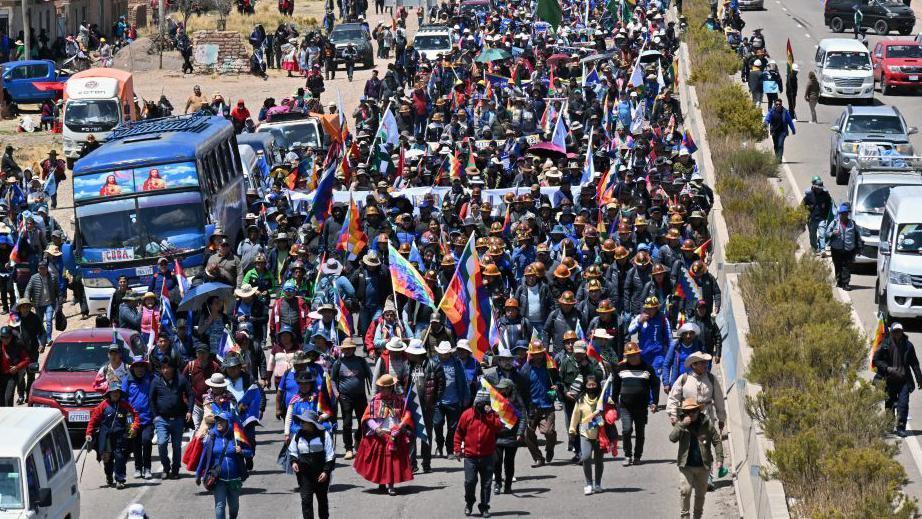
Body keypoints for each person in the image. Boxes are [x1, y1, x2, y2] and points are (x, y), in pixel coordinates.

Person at [353, 374, 414, 495]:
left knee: (392, 461)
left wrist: (401, 426)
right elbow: (367, 418)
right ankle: (381, 482)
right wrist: (376, 429)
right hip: (379, 435)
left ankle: (391, 485)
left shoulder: (400, 401)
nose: (384, 390)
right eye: (382, 388)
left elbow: (406, 415)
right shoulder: (375, 401)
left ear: (391, 387)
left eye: (387, 388)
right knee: (380, 461)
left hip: (394, 435)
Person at [669, 399, 724, 519]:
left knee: (700, 495)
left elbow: (716, 441)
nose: (691, 414)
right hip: (686, 466)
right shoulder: (681, 424)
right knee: (685, 491)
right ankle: (685, 516)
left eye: (694, 411)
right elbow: (672, 438)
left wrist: (720, 459)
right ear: (684, 412)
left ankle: (697, 517)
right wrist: (682, 424)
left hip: (703, 466)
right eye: (688, 412)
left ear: (698, 411)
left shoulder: (706, 423)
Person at [455, 387, 504, 518]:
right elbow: (459, 433)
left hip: (488, 456)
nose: (481, 406)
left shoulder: (492, 414)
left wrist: (489, 414)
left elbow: (499, 427)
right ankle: (469, 503)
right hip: (470, 457)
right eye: (480, 404)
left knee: (487, 484)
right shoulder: (467, 415)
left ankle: (484, 507)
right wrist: (458, 449)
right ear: (475, 402)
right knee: (470, 482)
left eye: (485, 404)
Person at [195, 412, 254, 519]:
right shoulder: (211, 437)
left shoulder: (236, 437)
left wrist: (242, 451)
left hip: (234, 479)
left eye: (222, 421)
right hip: (218, 479)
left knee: (234, 507)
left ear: (228, 423)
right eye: (217, 420)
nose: (219, 423)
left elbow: (250, 452)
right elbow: (203, 457)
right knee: (220, 505)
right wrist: (198, 474)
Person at [85, 382, 140, 489]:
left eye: (117, 392)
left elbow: (135, 415)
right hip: (105, 437)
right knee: (107, 459)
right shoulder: (103, 405)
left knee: (120, 457)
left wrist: (134, 427)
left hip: (121, 436)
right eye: (113, 392)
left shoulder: (125, 405)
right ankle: (109, 475)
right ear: (109, 393)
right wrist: (88, 433)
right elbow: (93, 420)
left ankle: (120, 480)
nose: (115, 394)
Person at [613, 342, 659, 466]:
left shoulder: (647, 368)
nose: (632, 357)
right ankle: (627, 455)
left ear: (639, 354)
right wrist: (613, 402)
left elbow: (655, 385)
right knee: (626, 430)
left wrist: (654, 402)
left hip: (641, 407)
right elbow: (615, 386)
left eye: (634, 355)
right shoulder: (620, 369)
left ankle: (637, 456)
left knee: (640, 432)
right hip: (625, 407)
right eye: (629, 355)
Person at [873, 322, 922, 437]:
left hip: (904, 382)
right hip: (889, 380)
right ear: (892, 332)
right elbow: (876, 360)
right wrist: (888, 368)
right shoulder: (885, 344)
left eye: (899, 331)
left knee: (903, 405)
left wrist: (919, 379)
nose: (898, 333)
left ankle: (901, 428)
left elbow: (914, 363)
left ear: (902, 332)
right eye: (895, 331)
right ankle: (889, 425)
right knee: (889, 404)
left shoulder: (908, 346)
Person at [149, 358, 194, 479]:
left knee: (176, 445)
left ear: (173, 368)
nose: (165, 370)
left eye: (168, 367)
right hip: (162, 419)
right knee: (162, 443)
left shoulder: (181, 379)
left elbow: (190, 394)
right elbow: (151, 399)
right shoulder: (156, 381)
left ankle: (175, 470)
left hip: (178, 419)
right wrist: (156, 416)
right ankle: (166, 467)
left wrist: (189, 411)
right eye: (163, 368)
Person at [330, 337, 373, 460]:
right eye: (345, 349)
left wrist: (375, 393)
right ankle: (348, 448)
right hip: (345, 397)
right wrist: (336, 392)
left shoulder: (361, 361)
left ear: (354, 349)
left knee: (363, 421)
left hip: (360, 396)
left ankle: (358, 439)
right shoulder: (338, 363)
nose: (347, 351)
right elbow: (333, 379)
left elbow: (370, 376)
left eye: (349, 349)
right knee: (347, 423)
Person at [289, 409, 335, 519]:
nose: (301, 423)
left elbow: (330, 455)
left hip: (321, 474)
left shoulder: (324, 435)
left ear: (312, 424)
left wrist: (326, 471)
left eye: (304, 421)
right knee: (306, 501)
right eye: (301, 421)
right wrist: (294, 461)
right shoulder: (298, 435)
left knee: (322, 501)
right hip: (304, 475)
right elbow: (292, 451)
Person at [568, 374, 605, 496]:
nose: (591, 387)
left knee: (599, 460)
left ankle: (598, 484)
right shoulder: (581, 399)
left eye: (594, 385)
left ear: (598, 385)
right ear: (585, 386)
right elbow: (575, 416)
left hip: (600, 434)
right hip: (585, 433)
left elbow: (612, 409)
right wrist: (572, 430)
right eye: (589, 385)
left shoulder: (603, 398)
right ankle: (589, 483)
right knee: (586, 457)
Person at [826, 203, 860, 290]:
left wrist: (858, 247)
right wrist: (833, 233)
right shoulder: (834, 223)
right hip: (836, 249)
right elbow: (826, 233)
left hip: (849, 249)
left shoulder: (852, 224)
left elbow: (857, 236)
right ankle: (839, 281)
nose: (844, 216)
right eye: (842, 214)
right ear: (839, 214)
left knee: (846, 267)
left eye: (845, 214)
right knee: (838, 265)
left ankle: (846, 283)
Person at [802, 176, 833, 255]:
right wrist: (805, 215)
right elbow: (802, 206)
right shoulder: (808, 195)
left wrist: (826, 215)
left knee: (822, 234)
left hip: (821, 218)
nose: (819, 189)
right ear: (814, 187)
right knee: (812, 235)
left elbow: (829, 204)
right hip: (811, 219)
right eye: (818, 187)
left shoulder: (825, 195)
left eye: (820, 187)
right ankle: (814, 248)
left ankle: (823, 249)